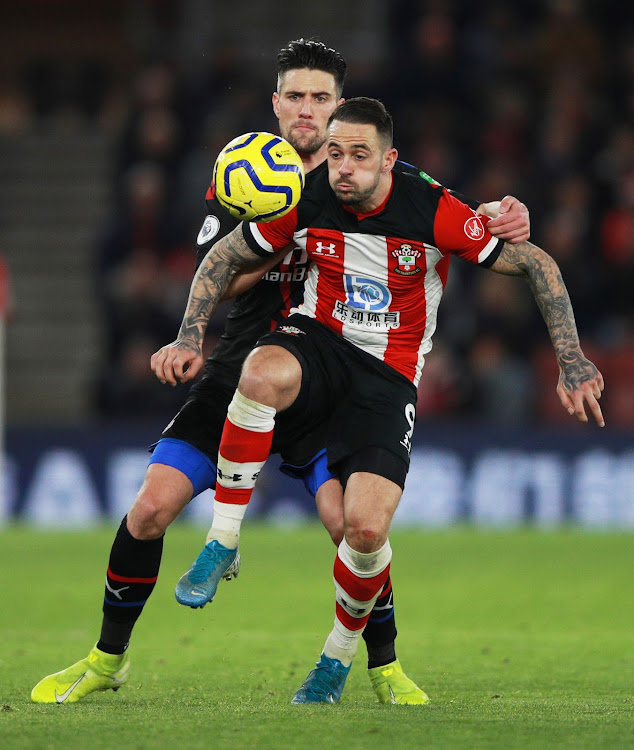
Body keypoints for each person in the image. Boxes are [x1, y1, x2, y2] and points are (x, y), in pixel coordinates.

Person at [31, 41, 529, 706]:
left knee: (353, 526)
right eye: (294, 96)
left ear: (340, 107)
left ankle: (383, 665)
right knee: (149, 510)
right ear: (276, 104)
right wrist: (284, 232)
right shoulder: (243, 173)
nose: (307, 109)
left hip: (333, 376)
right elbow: (220, 278)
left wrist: (502, 214)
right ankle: (105, 660)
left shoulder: (374, 173)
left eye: (321, 98)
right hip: (243, 371)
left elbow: (444, 213)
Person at [152, 97, 605, 704]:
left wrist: (570, 360)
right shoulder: (307, 197)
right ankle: (222, 540)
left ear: (389, 159)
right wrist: (189, 334)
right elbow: (228, 253)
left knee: (361, 531)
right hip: (317, 344)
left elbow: (537, 264)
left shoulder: (433, 208)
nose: (343, 167)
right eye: (335, 153)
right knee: (260, 370)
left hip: (388, 377)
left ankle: (336, 661)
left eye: (359, 156)